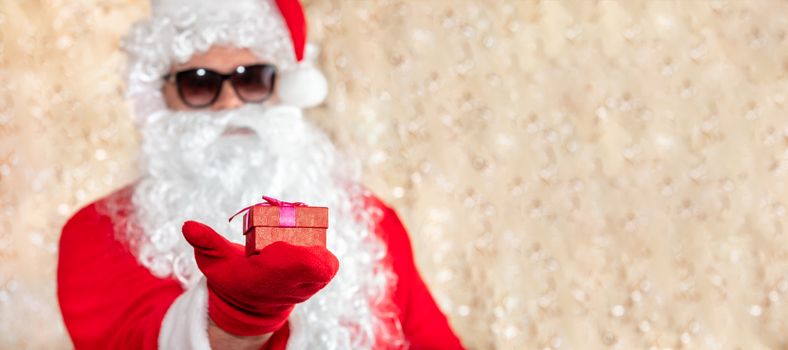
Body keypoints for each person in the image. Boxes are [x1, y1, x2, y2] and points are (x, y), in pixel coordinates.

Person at [56, 0, 464, 349]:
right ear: (159, 96)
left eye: (252, 79)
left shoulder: (370, 225)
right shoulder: (95, 232)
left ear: (284, 87)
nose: (231, 104)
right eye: (198, 84)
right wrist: (235, 317)